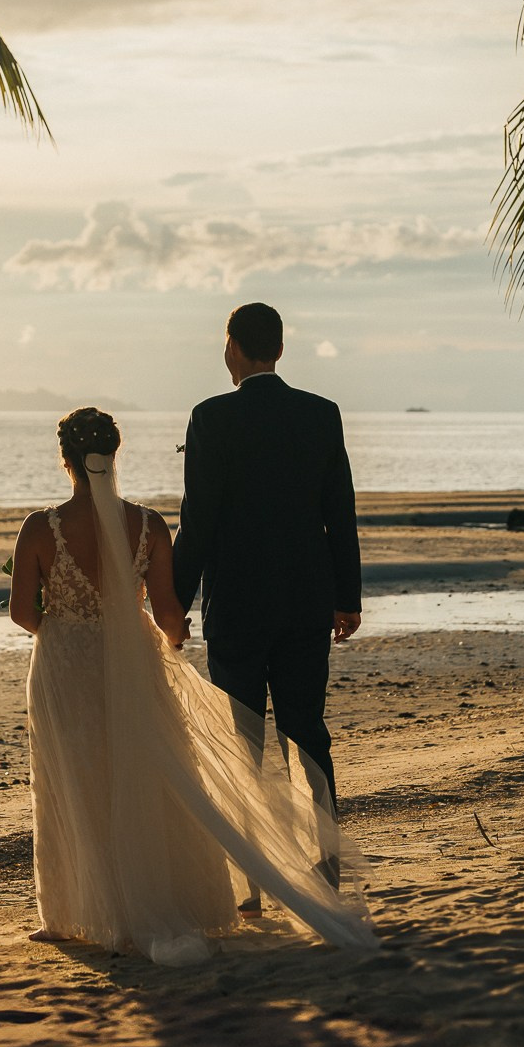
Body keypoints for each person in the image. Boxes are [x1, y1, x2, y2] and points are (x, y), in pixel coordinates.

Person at [7, 407, 375, 965]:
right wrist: (161, 643)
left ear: (66, 461)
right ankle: (162, 898)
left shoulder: (39, 527)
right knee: (145, 778)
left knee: (71, 778)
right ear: (115, 453)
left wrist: (66, 629)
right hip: (135, 664)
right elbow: (171, 614)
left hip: (65, 666)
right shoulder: (150, 525)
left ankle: (70, 915)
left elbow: (21, 614)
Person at [172, 303, 361, 874]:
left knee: (241, 740)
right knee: (307, 730)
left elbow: (197, 522)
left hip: (238, 605)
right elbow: (340, 514)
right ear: (279, 349)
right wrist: (347, 597)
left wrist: (173, 604)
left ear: (233, 347)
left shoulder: (211, 418)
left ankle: (249, 873)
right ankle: (327, 859)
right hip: (306, 602)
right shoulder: (320, 414)